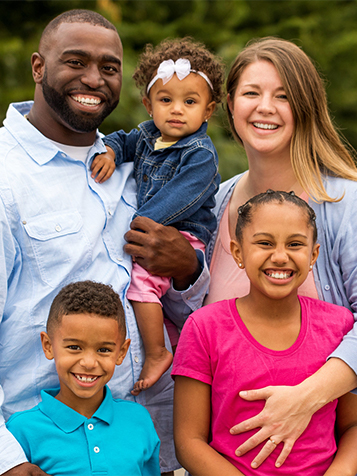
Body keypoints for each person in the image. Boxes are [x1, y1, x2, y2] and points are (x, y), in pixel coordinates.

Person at [0, 9, 208, 476]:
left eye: (109, 68)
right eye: (75, 62)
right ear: (38, 67)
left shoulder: (144, 167)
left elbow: (188, 307)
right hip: (43, 452)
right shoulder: (6, 177)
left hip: (148, 443)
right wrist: (6, 459)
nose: (93, 79)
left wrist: (189, 272)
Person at [184, 37, 357, 468]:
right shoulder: (214, 203)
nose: (265, 107)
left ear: (306, 108)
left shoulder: (343, 204)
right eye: (251, 93)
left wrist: (305, 398)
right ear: (229, 104)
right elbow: (198, 334)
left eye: (283, 96)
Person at [173, 191, 357, 475]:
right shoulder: (204, 327)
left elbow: (351, 426)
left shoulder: (338, 325)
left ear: (313, 255)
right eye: (264, 243)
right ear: (238, 253)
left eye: (295, 244)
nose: (280, 257)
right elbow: (189, 441)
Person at [90, 38, 224, 395]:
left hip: (181, 233)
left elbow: (180, 198)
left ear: (208, 110)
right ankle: (173, 341)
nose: (176, 110)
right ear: (149, 105)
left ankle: (157, 352)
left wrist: (136, 223)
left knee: (142, 286)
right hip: (154, 230)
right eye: (166, 100)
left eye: (190, 102)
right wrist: (109, 151)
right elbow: (124, 139)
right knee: (157, 300)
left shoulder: (200, 155)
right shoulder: (148, 135)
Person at [6, 281, 161, 476]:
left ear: (121, 352)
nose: (88, 363)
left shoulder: (138, 420)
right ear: (48, 346)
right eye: (74, 347)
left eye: (103, 350)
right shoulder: (21, 430)